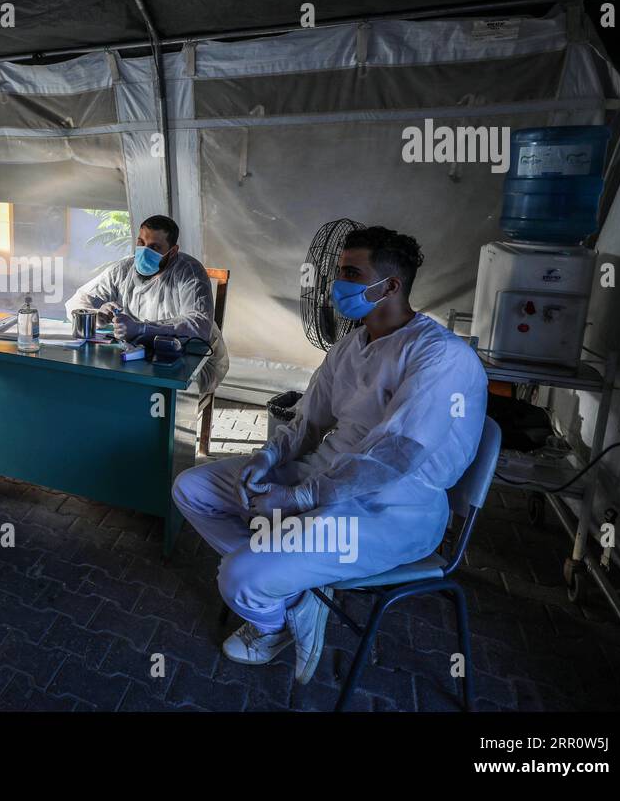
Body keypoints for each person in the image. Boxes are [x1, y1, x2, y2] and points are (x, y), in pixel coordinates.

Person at [171, 226, 487, 684]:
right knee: (192, 488)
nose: (337, 284)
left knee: (238, 578)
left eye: (351, 273)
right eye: (340, 271)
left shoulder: (439, 356)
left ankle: (270, 620)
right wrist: (268, 457)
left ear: (392, 286)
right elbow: (308, 420)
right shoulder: (351, 346)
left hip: (393, 509)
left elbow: (396, 457)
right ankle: (294, 593)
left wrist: (299, 500)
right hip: (323, 478)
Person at [64, 214, 227, 394]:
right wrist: (96, 315)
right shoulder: (123, 269)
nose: (144, 251)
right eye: (141, 243)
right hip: (138, 356)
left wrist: (142, 329)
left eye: (154, 247)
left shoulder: (189, 272)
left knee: (158, 394)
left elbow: (199, 326)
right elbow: (77, 301)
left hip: (191, 360)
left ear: (173, 251)